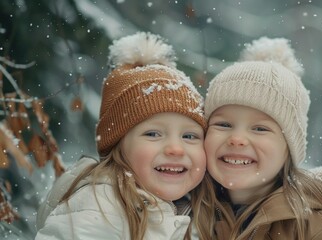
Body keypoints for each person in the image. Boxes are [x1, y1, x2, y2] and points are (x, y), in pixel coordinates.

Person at [35, 32, 215, 240]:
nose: (176, 148)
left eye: (190, 136)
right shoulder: (101, 206)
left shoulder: (198, 211)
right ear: (117, 145)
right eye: (153, 133)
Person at [202, 37, 322, 239]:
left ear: (289, 149)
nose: (237, 138)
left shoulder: (314, 226)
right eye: (223, 124)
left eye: (259, 129)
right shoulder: (191, 212)